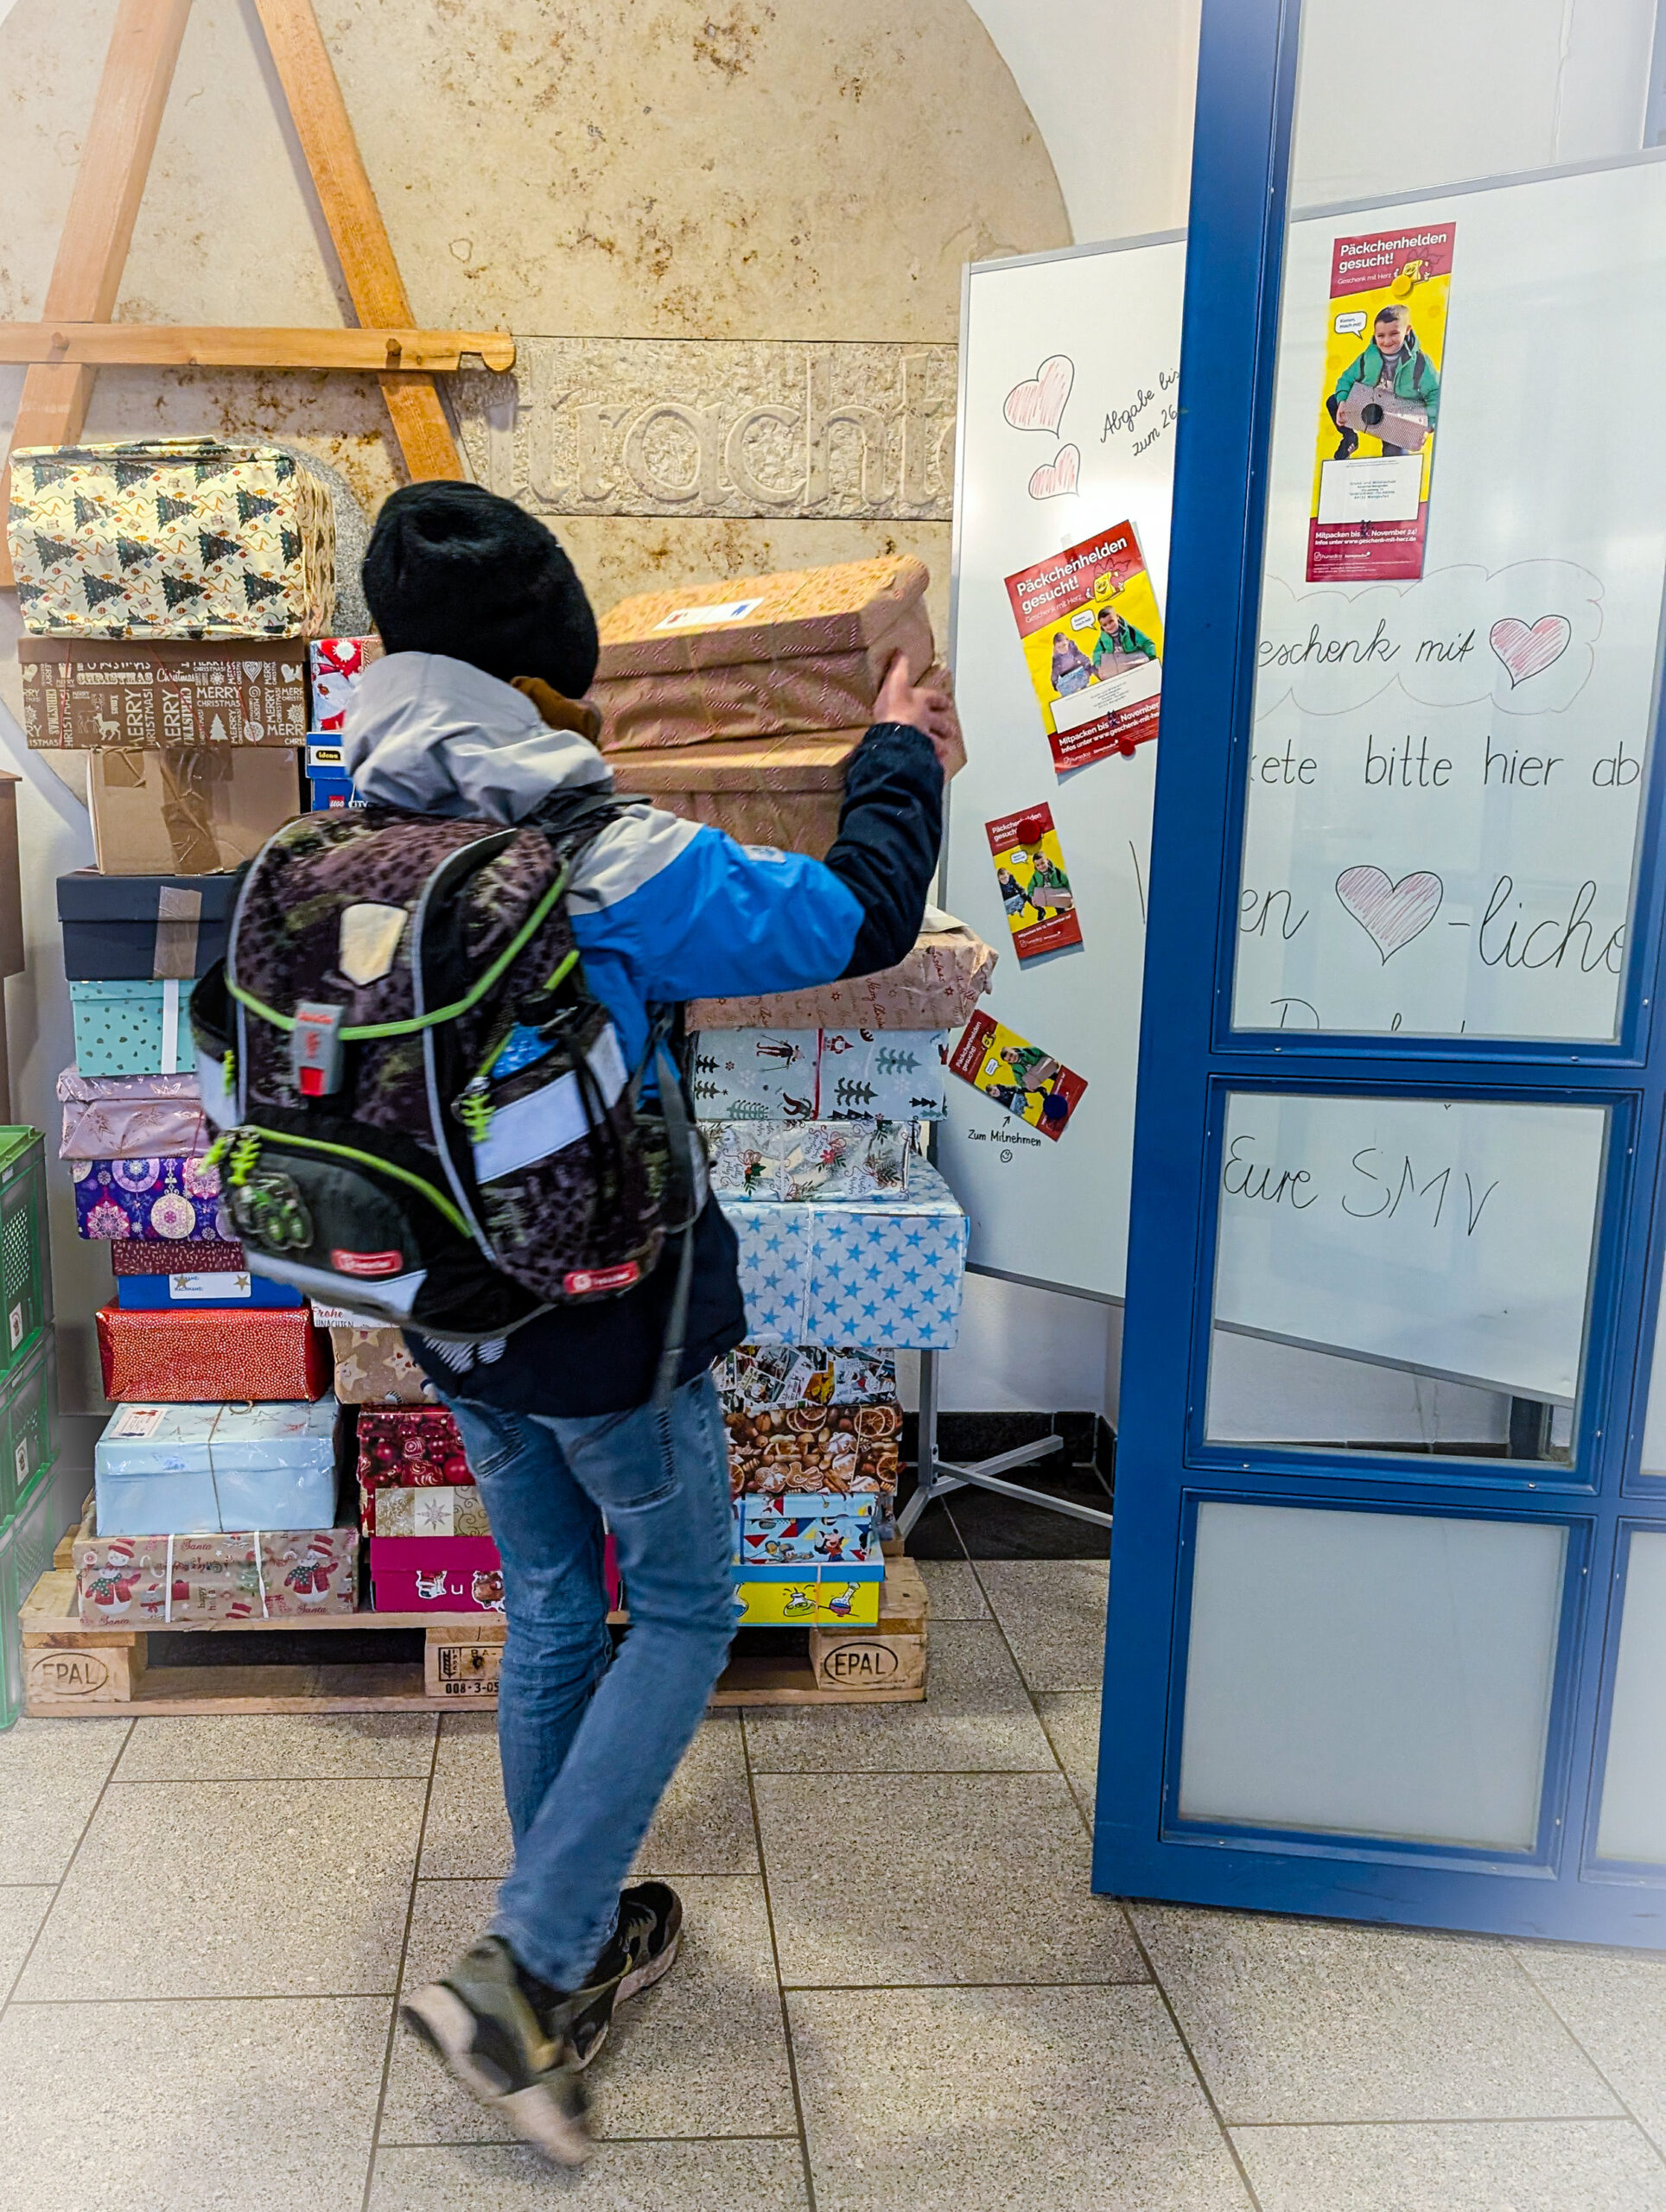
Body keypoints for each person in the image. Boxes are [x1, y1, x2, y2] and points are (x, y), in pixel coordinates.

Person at [346, 482, 959, 2164]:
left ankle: (569, 1938)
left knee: (553, 1599)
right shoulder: (600, 855)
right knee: (684, 1598)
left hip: (438, 1302)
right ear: (553, 667)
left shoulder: (340, 830)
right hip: (604, 1316)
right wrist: (896, 748)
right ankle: (525, 1963)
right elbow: (854, 918)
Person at [1327, 302, 1440, 459]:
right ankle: (1350, 438)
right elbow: (1346, 379)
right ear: (1374, 335)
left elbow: (1436, 393)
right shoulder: (1369, 356)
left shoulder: (1420, 362)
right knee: (1334, 401)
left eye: (1394, 334)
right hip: (1372, 405)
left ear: (1407, 330)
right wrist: (1343, 401)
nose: (1387, 341)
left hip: (1398, 415)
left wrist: (1429, 425)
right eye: (1381, 336)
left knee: (1394, 457)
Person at [1091, 602, 1158, 671]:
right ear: (1102, 626)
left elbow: (1147, 643)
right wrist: (1099, 665)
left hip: (1133, 659)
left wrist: (1151, 657)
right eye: (1105, 625)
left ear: (1117, 617)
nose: (1109, 626)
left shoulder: (1130, 631)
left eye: (1111, 621)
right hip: (1117, 664)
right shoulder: (1103, 638)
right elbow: (1096, 653)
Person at [1050, 629, 1094, 696]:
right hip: (1066, 676)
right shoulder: (1057, 658)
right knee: (1066, 689)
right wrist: (1054, 683)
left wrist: (1088, 668)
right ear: (1055, 648)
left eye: (1064, 645)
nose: (1062, 649)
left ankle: (1086, 690)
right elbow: (1055, 671)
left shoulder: (1073, 650)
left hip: (1076, 671)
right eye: (1059, 647)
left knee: (1083, 678)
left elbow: (1082, 657)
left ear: (1068, 641)